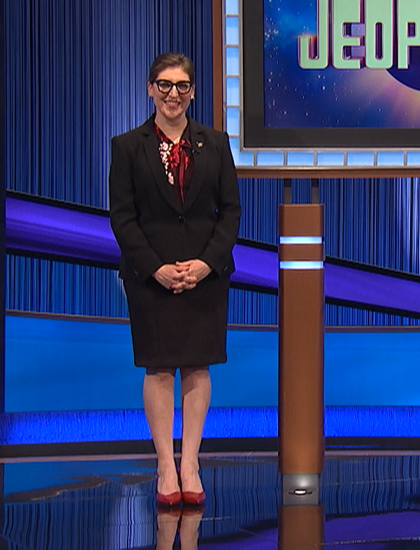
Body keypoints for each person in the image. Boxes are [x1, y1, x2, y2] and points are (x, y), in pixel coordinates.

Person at [109, 52, 241, 507]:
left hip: (204, 276)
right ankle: (165, 463)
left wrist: (205, 264)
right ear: (150, 90)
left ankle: (191, 463)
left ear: (192, 93)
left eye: (182, 86)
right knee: (160, 366)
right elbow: (123, 219)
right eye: (164, 85)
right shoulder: (127, 147)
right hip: (151, 278)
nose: (173, 95)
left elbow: (231, 212)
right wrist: (156, 268)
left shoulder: (216, 143)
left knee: (197, 365)